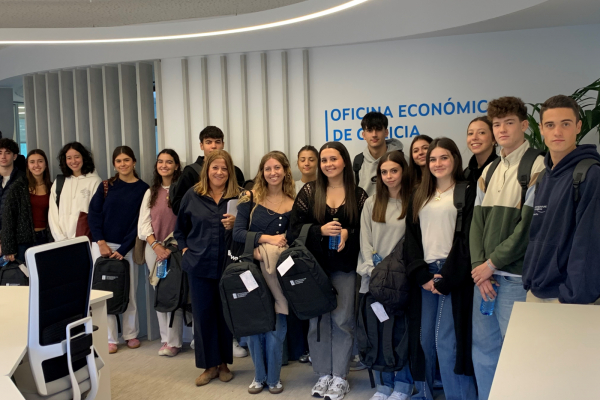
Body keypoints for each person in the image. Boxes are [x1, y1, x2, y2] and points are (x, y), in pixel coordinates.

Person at [470, 96, 545, 400]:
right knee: (484, 350)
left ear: (524, 126)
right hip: (483, 280)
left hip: (513, 279)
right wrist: (480, 268)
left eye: (509, 123)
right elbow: (475, 224)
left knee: (517, 353)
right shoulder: (489, 171)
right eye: (497, 124)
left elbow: (528, 230)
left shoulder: (538, 165)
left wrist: (491, 264)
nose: (502, 129)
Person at [291, 141, 368, 400]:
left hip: (345, 268)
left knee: (343, 321)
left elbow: (367, 233)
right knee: (318, 321)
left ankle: (340, 377)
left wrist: (348, 232)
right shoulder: (309, 191)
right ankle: (323, 374)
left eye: (333, 159)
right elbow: (293, 231)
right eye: (324, 160)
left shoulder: (358, 195)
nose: (328, 164)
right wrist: (319, 230)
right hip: (314, 270)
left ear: (344, 161)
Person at [405, 137, 477, 400]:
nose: (437, 163)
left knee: (447, 344)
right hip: (426, 275)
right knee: (425, 341)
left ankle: (460, 396)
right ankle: (425, 394)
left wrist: (447, 277)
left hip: (453, 275)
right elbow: (411, 239)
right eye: (433, 159)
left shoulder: (467, 190)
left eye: (444, 157)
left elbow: (468, 239)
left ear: (455, 159)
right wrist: (422, 275)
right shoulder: (419, 194)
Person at [523, 95, 600, 304]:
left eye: (565, 124)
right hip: (538, 290)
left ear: (578, 126)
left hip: (568, 298)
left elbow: (589, 244)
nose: (557, 132)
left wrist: (571, 296)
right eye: (550, 125)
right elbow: (537, 235)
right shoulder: (543, 177)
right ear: (541, 129)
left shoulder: (590, 174)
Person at [233, 151, 295, 394]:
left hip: (279, 272)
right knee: (256, 324)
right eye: (268, 168)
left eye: (277, 168)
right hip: (252, 269)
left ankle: (274, 378)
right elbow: (237, 233)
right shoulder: (248, 197)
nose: (273, 173)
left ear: (285, 171)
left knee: (277, 324)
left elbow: (295, 238)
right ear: (262, 172)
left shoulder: (294, 201)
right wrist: (264, 242)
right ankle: (258, 376)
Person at [174, 150, 238, 387]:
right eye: (215, 168)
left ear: (229, 171)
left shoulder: (238, 197)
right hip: (199, 266)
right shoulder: (193, 195)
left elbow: (246, 231)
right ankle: (209, 366)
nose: (219, 172)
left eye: (224, 168)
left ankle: (223, 364)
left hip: (228, 266)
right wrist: (183, 249)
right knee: (203, 317)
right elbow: (180, 229)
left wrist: (235, 224)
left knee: (225, 316)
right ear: (207, 170)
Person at [358, 150, 413, 400]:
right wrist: (373, 271)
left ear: (403, 172)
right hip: (375, 280)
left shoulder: (414, 202)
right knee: (378, 334)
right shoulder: (371, 203)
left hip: (402, 282)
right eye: (384, 172)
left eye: (394, 171)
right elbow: (365, 241)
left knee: (401, 334)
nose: (389, 176)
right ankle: (383, 387)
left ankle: (403, 385)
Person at [88, 146, 149, 354]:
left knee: (129, 292)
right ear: (114, 164)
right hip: (103, 247)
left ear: (134, 162)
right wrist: (101, 242)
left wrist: (123, 249)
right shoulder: (106, 186)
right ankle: (110, 338)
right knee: (105, 293)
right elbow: (94, 215)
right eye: (118, 161)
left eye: (126, 160)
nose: (123, 164)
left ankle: (131, 334)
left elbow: (139, 223)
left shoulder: (143, 189)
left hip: (128, 248)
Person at [138, 149, 184, 357]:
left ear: (176, 165)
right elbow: (143, 224)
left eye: (169, 162)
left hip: (176, 249)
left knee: (175, 291)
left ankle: (174, 341)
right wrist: (156, 246)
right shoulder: (151, 192)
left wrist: (170, 247)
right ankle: (164, 339)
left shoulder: (182, 190)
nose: (164, 165)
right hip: (154, 249)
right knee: (159, 292)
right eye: (160, 162)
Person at [170, 126, 245, 215]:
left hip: (228, 226)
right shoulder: (190, 172)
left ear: (223, 144)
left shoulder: (235, 172)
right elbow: (177, 206)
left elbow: (243, 203)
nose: (213, 146)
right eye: (208, 142)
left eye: (217, 142)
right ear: (201, 145)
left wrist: (236, 220)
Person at [2, 149, 52, 262]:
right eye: (32, 162)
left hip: (46, 239)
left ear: (45, 164)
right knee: (25, 278)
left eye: (40, 161)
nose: (36, 165)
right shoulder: (18, 187)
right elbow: (8, 218)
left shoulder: (52, 187)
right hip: (23, 241)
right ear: (28, 165)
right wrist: (8, 248)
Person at [48, 142, 102, 242]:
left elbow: (96, 214)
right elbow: (53, 213)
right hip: (60, 241)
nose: (73, 161)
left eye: (77, 157)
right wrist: (60, 238)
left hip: (85, 239)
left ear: (84, 158)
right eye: (69, 158)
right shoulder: (59, 182)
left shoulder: (95, 181)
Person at [354, 112, 403, 196]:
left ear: (386, 132)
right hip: (365, 209)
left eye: (378, 129)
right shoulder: (357, 162)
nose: (374, 135)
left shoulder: (403, 159)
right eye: (369, 130)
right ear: (363, 135)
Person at [0, 138, 25, 244]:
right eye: (0, 153)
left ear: (14, 156)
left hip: (15, 238)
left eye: (7, 153)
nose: (3, 156)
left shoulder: (23, 179)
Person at [464, 117, 498, 185]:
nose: (474, 137)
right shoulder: (466, 173)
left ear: (494, 139)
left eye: (481, 133)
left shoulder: (501, 169)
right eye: (470, 133)